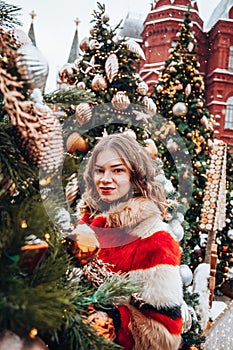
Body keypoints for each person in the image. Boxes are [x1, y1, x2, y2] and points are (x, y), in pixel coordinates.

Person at [77, 133, 183, 350]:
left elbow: (166, 337)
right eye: (100, 170)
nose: (105, 179)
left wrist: (113, 320)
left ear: (135, 177)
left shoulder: (154, 240)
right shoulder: (85, 224)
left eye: (117, 170)